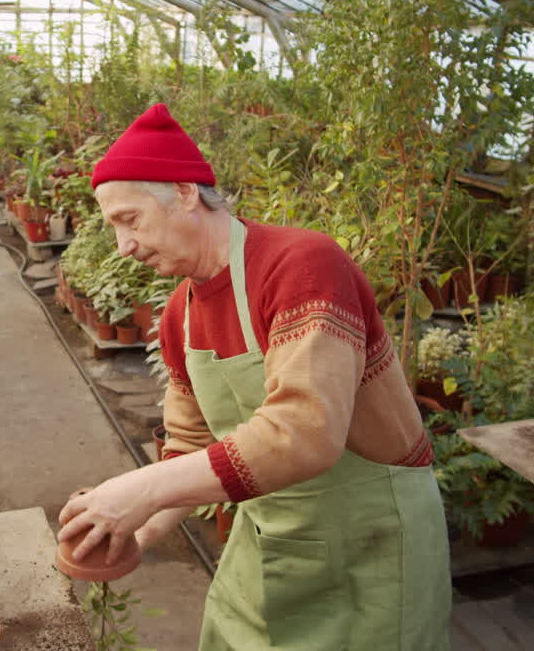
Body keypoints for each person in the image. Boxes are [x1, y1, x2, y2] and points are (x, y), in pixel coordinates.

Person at [57, 104, 452, 650]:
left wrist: (140, 490)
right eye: (115, 227)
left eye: (130, 219)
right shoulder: (181, 315)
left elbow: (304, 433)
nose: (124, 245)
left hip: (370, 546)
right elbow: (189, 444)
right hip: (273, 540)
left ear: (186, 192)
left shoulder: (302, 266)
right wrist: (132, 530)